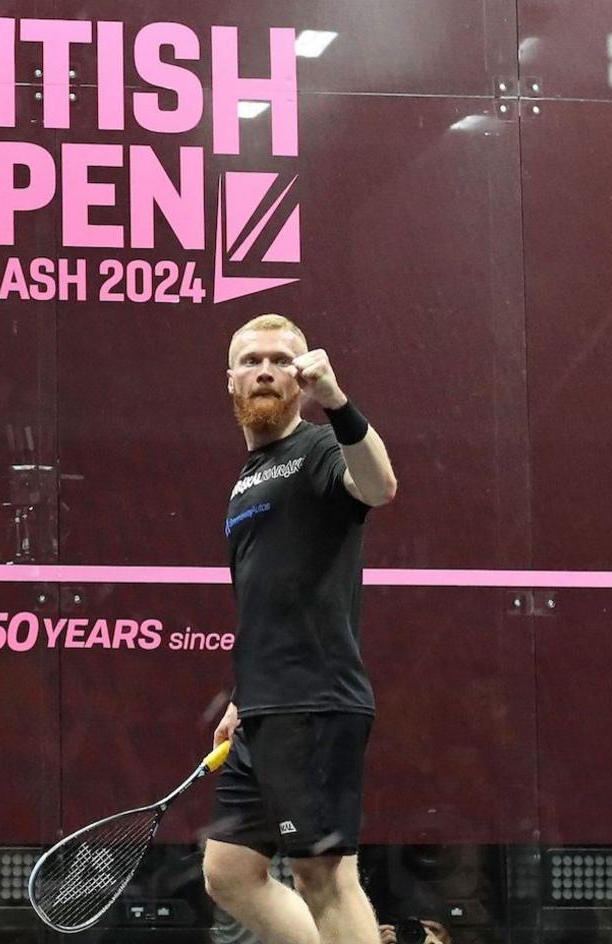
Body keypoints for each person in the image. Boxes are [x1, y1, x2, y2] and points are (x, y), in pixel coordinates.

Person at [201, 313, 399, 944]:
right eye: (251, 360)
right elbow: (268, 602)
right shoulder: (246, 478)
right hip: (264, 709)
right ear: (229, 380)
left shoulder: (317, 448)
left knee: (325, 876)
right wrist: (242, 699)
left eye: (281, 361)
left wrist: (338, 403)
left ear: (301, 376)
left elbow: (380, 485)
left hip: (314, 700)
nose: (265, 369)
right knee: (229, 871)